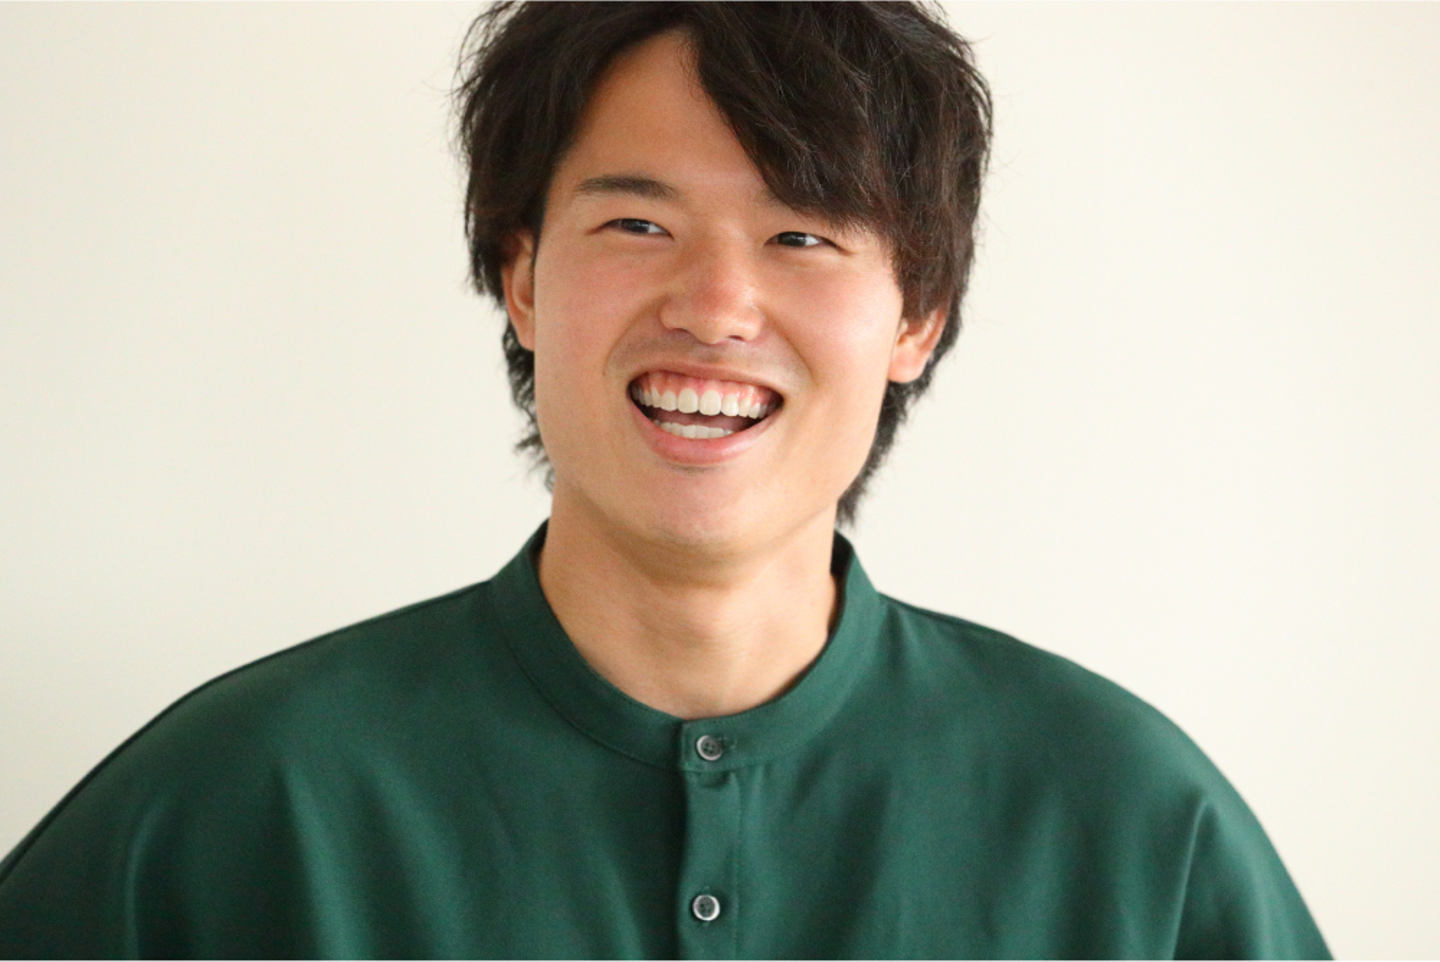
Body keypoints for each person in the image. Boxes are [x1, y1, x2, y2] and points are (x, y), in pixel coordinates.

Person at [0, 3, 1328, 957]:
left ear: (917, 316)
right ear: (523, 278)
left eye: (803, 234)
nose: (715, 306)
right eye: (638, 222)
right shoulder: (243, 801)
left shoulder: (1132, 824)